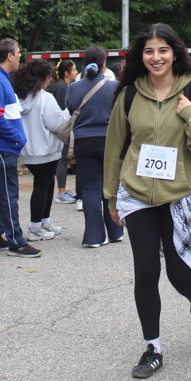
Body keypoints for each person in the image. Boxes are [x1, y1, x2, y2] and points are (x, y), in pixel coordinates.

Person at [103, 24, 191, 380]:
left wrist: (189, 114)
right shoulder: (128, 95)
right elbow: (114, 147)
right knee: (146, 270)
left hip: (181, 192)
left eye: (163, 50)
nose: (156, 57)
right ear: (141, 55)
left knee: (178, 271)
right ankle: (152, 347)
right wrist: (110, 196)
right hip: (137, 192)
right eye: (149, 51)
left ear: (174, 53)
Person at [0, 38, 39, 258]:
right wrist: (15, 138)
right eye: (18, 52)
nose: (21, 55)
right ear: (9, 56)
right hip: (0, 146)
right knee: (8, 194)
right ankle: (16, 242)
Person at [67, 46, 122, 248]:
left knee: (90, 188)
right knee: (110, 185)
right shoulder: (114, 86)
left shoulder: (73, 87)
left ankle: (94, 236)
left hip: (83, 142)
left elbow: (70, 109)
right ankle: (115, 231)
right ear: (104, 63)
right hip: (108, 141)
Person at [14, 59, 69, 242]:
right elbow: (56, 123)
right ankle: (35, 227)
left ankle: (45, 221)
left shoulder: (22, 97)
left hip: (29, 150)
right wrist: (66, 114)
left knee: (46, 183)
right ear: (43, 78)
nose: (50, 79)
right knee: (42, 186)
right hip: (46, 150)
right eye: (49, 76)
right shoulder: (45, 98)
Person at [53, 59, 78, 204]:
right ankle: (61, 192)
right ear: (66, 73)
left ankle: (63, 189)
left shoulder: (64, 86)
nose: (76, 72)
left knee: (65, 158)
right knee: (63, 159)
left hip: (65, 126)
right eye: (74, 70)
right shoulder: (62, 88)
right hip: (64, 127)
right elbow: (64, 108)